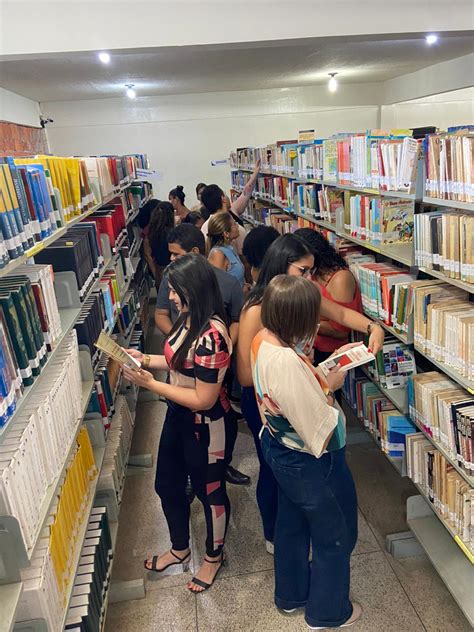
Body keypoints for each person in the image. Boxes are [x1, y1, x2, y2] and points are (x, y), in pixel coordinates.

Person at [237, 233, 384, 551]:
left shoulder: (306, 293)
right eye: (303, 271)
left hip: (307, 384)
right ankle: (275, 537)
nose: (310, 279)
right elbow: (247, 376)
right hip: (271, 400)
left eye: (312, 271)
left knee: (304, 479)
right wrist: (301, 372)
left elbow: (342, 315)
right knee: (275, 471)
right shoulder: (257, 310)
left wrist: (373, 328)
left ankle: (296, 542)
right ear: (281, 266)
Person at [253, 275, 361, 629]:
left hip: (278, 449)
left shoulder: (262, 341)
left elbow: (285, 397)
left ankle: (291, 595)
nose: (316, 325)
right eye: (311, 319)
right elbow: (318, 427)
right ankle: (329, 614)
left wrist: (318, 373)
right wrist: (329, 387)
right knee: (335, 533)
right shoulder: (285, 360)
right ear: (296, 320)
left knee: (292, 524)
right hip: (311, 462)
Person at [122, 255, 234, 593]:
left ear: (194, 290)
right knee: (167, 484)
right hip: (178, 416)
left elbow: (204, 398)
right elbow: (177, 361)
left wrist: (150, 384)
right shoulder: (187, 319)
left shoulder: (213, 335)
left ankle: (214, 558)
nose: (170, 297)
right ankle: (180, 547)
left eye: (175, 291)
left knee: (209, 491)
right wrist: (145, 359)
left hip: (206, 425)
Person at [154, 224, 250, 486]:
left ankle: (218, 466)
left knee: (209, 479)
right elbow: (160, 315)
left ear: (194, 253)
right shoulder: (171, 280)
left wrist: (222, 344)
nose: (171, 261)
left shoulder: (227, 285)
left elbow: (235, 320)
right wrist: (181, 341)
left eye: (176, 255)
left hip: (211, 374)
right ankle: (192, 473)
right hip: (181, 364)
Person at [294, 228, 362, 366]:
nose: (306, 274)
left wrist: (303, 323)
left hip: (329, 352)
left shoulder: (339, 279)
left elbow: (341, 331)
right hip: (308, 346)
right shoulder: (310, 275)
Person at [200, 159, 260, 255]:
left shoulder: (206, 226)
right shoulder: (221, 224)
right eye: (225, 194)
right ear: (223, 199)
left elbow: (245, 193)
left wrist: (256, 172)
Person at [206, 211, 245, 287]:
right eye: (234, 224)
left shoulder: (230, 247)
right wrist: (241, 291)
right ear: (226, 233)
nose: (237, 225)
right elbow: (220, 288)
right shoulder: (217, 253)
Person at [147, 201, 175, 283]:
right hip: (171, 268)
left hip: (158, 268)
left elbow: (148, 254)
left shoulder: (152, 231)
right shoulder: (171, 233)